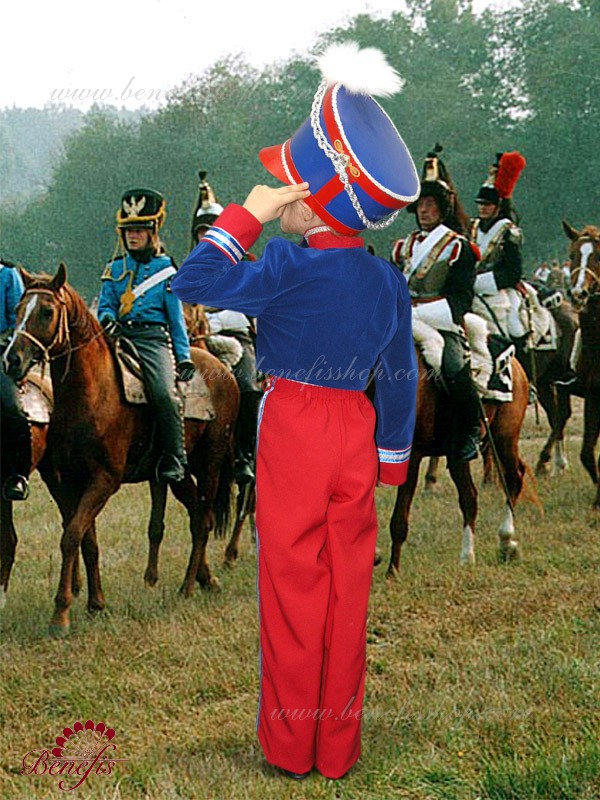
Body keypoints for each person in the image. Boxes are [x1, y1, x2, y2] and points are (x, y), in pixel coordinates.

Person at [172, 42, 419, 781]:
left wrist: (247, 215)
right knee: (347, 591)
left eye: (287, 183)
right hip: (356, 430)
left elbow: (193, 282)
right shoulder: (385, 279)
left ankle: (290, 748)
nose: (278, 190)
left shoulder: (281, 265)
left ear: (312, 201)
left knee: (292, 591)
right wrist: (392, 458)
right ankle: (336, 749)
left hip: (295, 429)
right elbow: (399, 375)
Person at [391, 145, 482, 461]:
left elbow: (462, 298)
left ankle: (470, 430)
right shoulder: (404, 246)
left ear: (442, 210)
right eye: (420, 205)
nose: (424, 211)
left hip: (441, 322)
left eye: (430, 205)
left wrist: (420, 312)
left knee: (453, 366)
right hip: (404, 317)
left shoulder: (459, 248)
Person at [97, 188, 195, 483]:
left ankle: (175, 456)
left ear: (152, 232)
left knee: (164, 393)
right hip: (118, 336)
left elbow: (176, 321)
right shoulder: (115, 268)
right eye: (128, 231)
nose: (132, 236)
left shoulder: (166, 270)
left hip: (152, 341)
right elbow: (105, 305)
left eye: (139, 230)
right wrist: (107, 319)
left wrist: (183, 357)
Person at [190, 171, 263, 484]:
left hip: (235, 338)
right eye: (202, 232)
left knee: (247, 388)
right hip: (196, 339)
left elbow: (245, 312)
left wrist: (210, 321)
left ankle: (244, 455)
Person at [470, 151, 528, 355]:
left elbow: (513, 272)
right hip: (470, 286)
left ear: (497, 206)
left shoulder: (509, 231)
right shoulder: (472, 228)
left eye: (487, 205)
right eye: (480, 204)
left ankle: (522, 361)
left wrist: (480, 282)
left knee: (515, 324)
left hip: (501, 287)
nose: (483, 208)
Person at [0, 258, 32, 500]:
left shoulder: (7, 275)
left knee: (11, 407)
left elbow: (19, 324)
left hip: (0, 351)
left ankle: (17, 475)